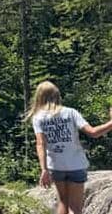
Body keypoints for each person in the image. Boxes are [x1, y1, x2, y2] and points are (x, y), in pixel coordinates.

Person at [27, 81, 112, 214]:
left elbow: (40, 144)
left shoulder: (38, 118)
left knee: (63, 202)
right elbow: (93, 133)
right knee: (75, 208)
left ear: (39, 97)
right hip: (76, 164)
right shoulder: (70, 112)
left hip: (56, 166)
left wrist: (44, 169)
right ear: (57, 95)